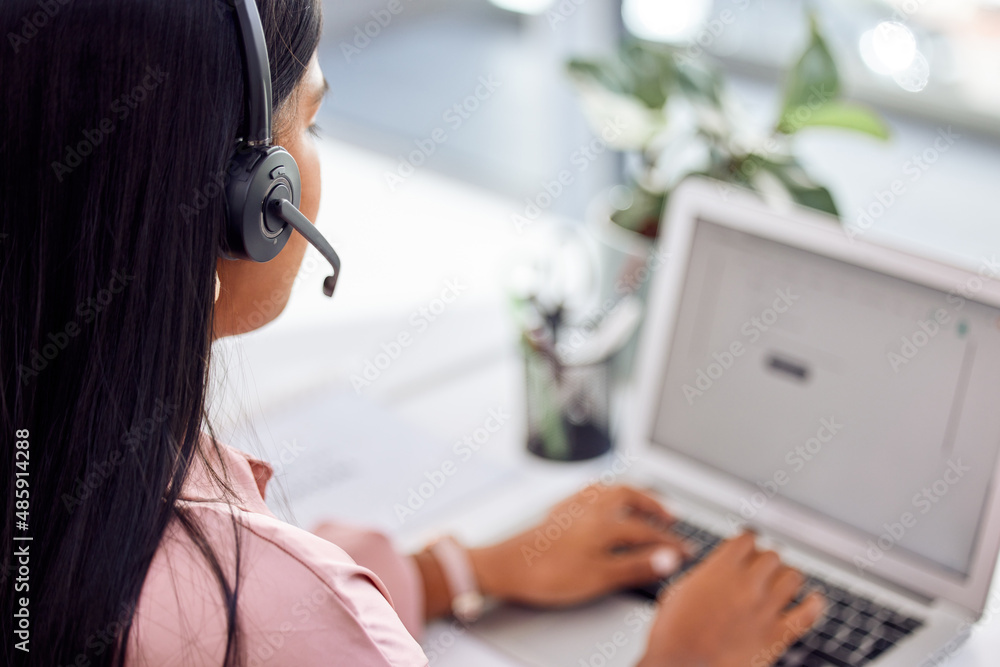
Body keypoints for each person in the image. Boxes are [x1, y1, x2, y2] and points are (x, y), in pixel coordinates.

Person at [0, 1, 825, 665]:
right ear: (254, 201)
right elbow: (289, 615)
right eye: (311, 123)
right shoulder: (278, 603)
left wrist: (458, 570)